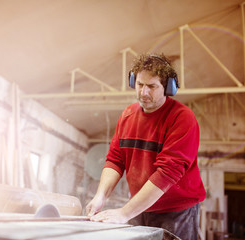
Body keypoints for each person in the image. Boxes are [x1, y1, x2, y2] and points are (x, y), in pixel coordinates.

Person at [85, 53, 206, 240]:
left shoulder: (182, 118)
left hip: (176, 211)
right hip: (140, 206)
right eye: (140, 84)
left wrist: (124, 213)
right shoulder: (127, 115)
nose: (144, 92)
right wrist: (100, 197)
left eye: (152, 86)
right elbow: (115, 160)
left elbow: (167, 173)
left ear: (167, 88)